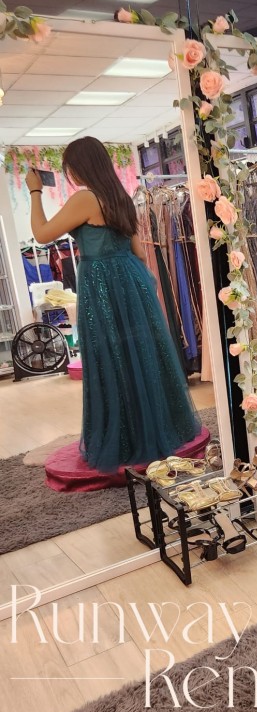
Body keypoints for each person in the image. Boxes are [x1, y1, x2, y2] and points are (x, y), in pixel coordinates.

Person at [26, 136, 200, 472]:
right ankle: (157, 428)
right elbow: (138, 252)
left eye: (70, 168)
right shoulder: (120, 197)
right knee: (141, 358)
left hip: (103, 285)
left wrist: (35, 191)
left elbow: (43, 234)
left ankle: (124, 438)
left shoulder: (86, 198)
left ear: (80, 167)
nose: (70, 175)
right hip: (132, 281)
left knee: (112, 359)